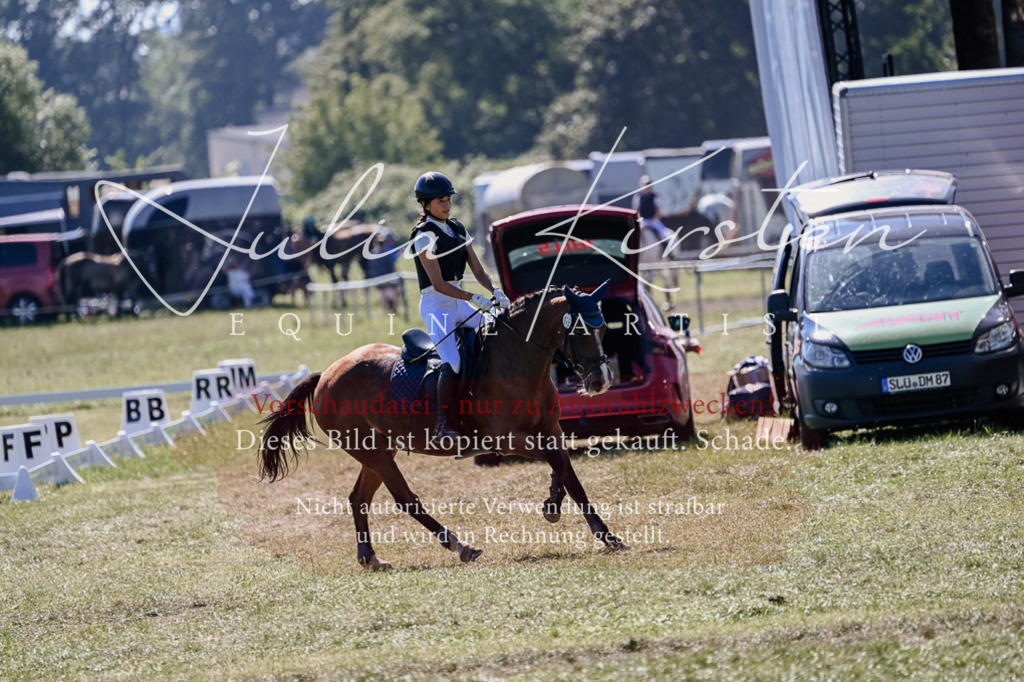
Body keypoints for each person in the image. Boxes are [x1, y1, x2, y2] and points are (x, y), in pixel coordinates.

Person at [411, 171, 510, 441]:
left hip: (459, 301)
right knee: (452, 360)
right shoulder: (423, 236)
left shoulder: (457, 228)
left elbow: (478, 269)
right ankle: (442, 424)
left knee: (496, 337)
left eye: (448, 199)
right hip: (436, 305)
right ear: (426, 205)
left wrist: (495, 290)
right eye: (440, 201)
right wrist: (472, 298)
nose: (446, 205)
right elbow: (439, 283)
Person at [632, 175, 671, 241]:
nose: (647, 187)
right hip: (642, 221)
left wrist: (653, 220)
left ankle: (667, 249)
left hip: (653, 220)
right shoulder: (638, 197)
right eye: (645, 185)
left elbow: (658, 210)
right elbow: (636, 211)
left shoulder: (655, 196)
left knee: (665, 234)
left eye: (649, 185)